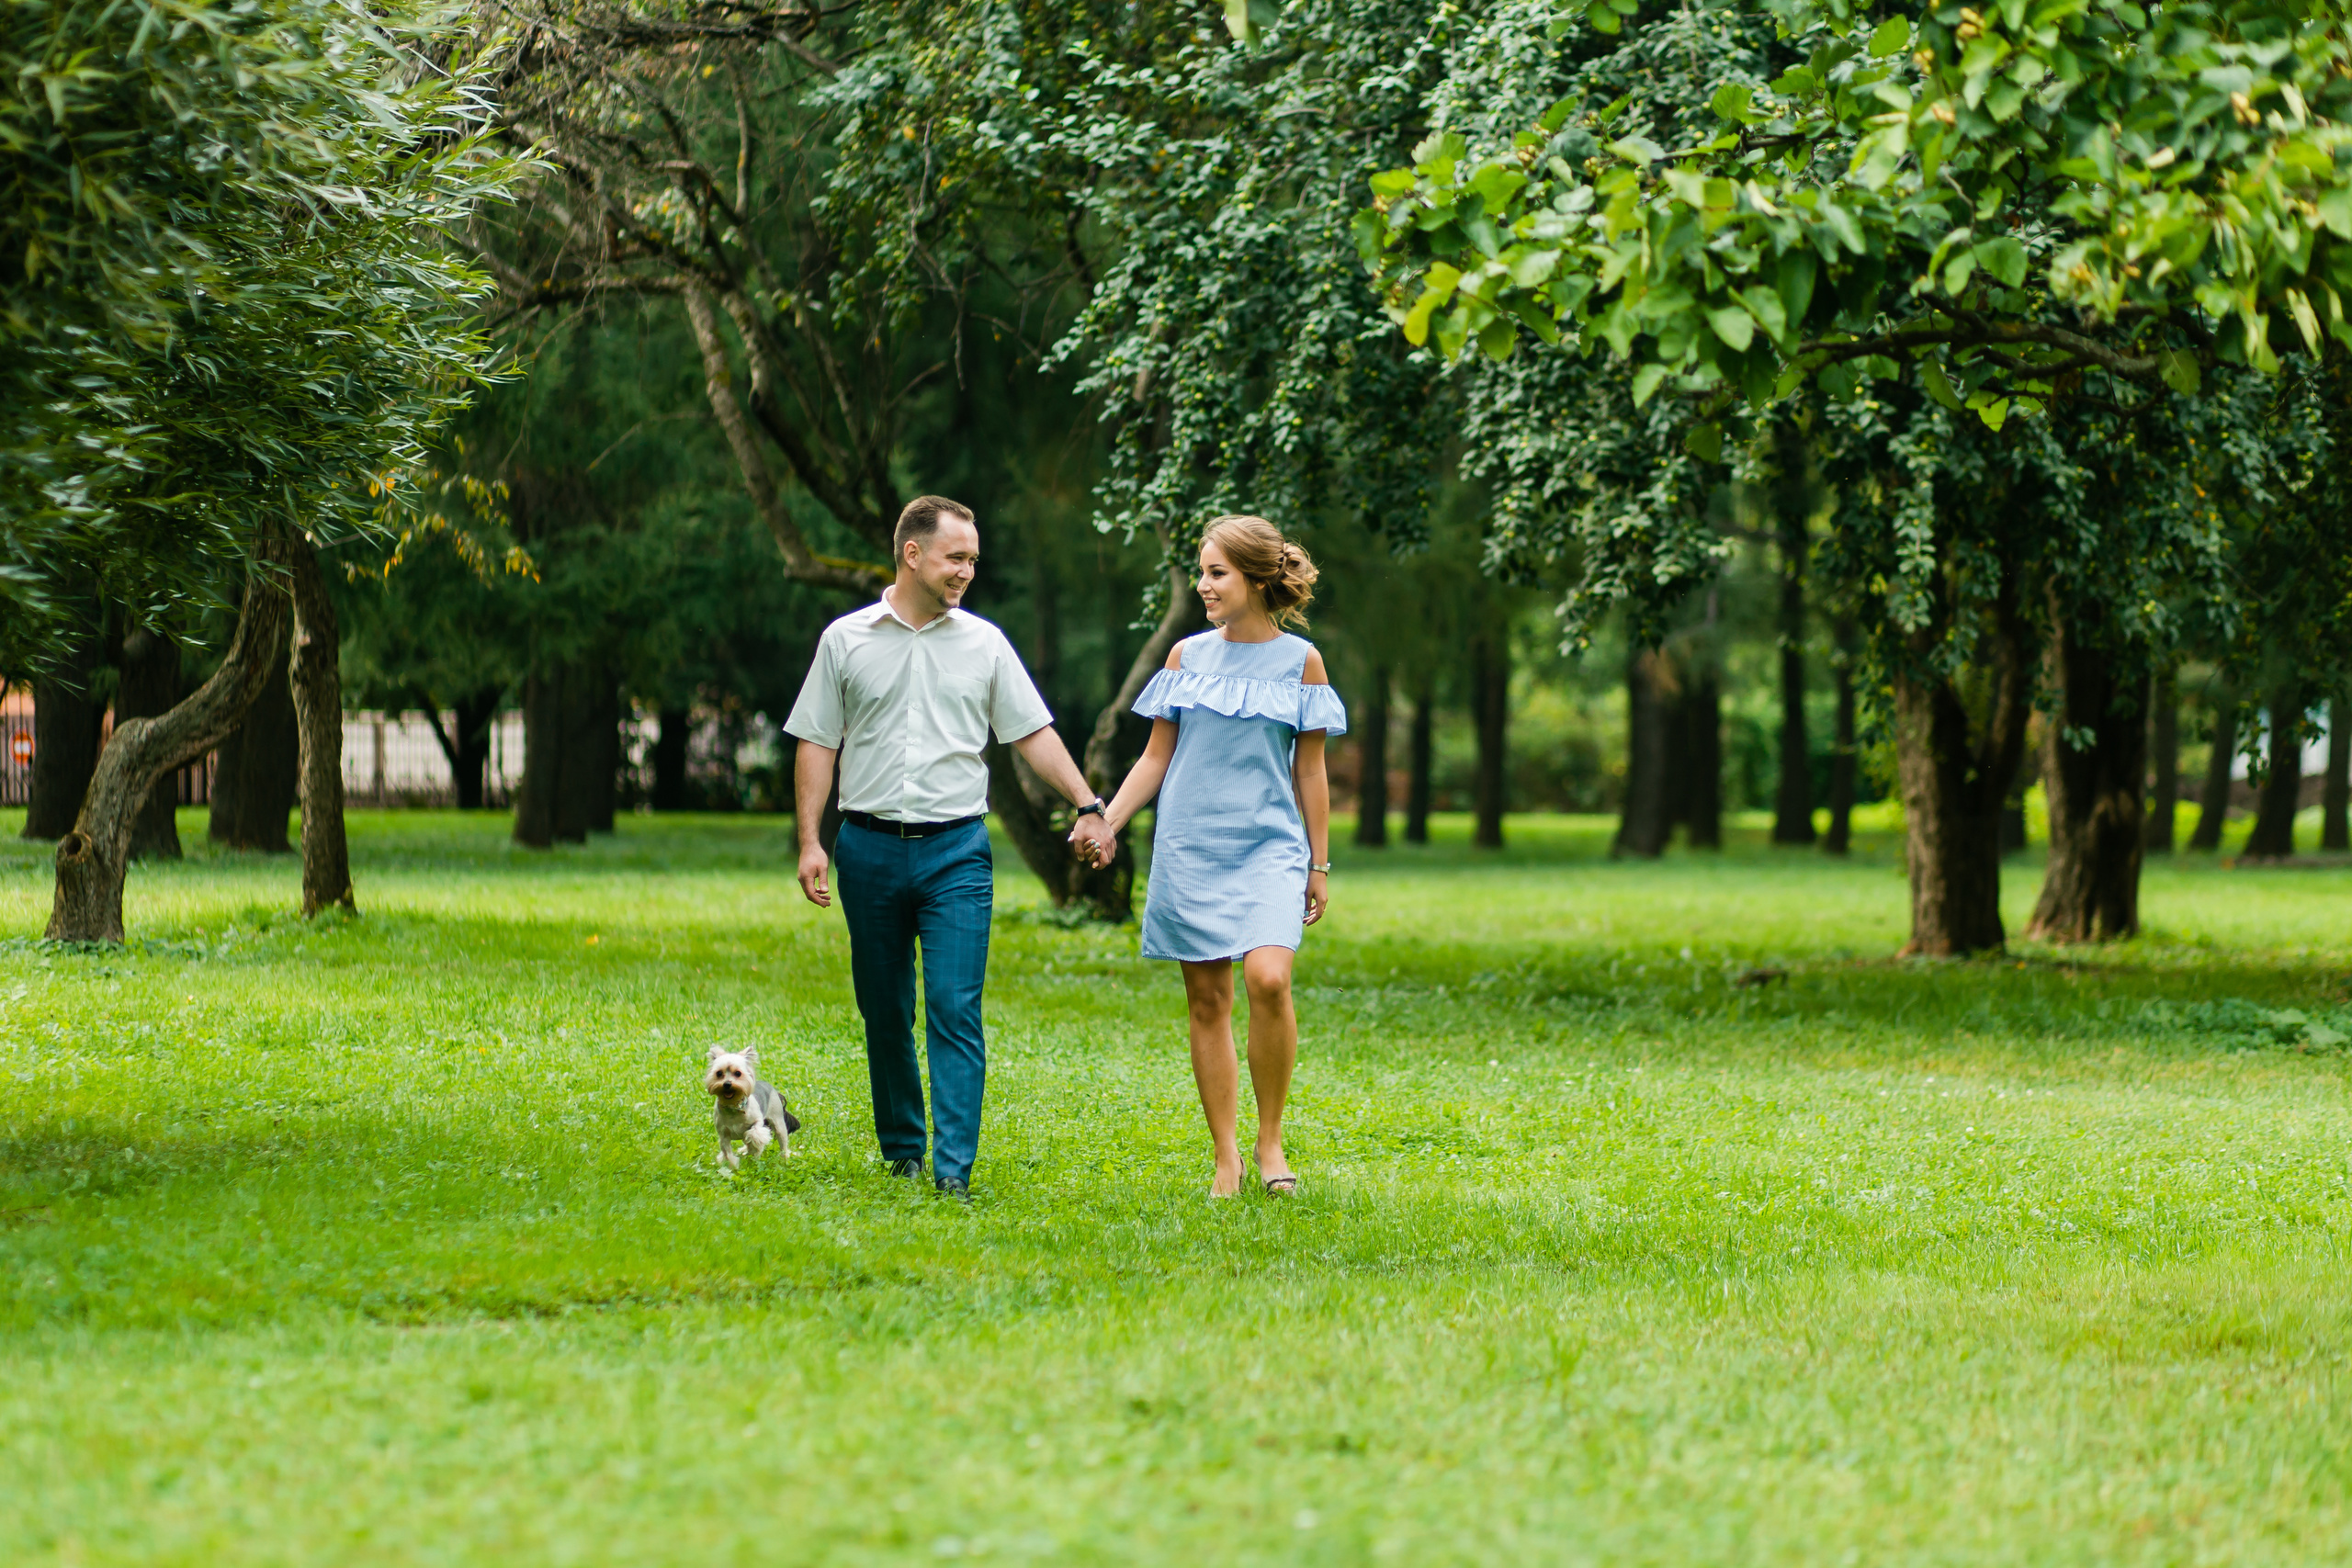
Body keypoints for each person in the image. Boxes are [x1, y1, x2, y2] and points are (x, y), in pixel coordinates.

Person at [786, 495, 1114, 1200]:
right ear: (913, 554)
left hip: (956, 852)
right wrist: (812, 839)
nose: (966, 570)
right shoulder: (846, 639)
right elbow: (817, 739)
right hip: (867, 848)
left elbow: (1032, 733)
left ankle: (952, 1171)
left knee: (954, 1006)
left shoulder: (986, 644)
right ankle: (903, 1150)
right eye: (955, 557)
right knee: (884, 1007)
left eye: (972, 559)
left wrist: (1088, 803)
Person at [1084, 515, 1344, 1198]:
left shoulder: (1301, 662)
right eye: (1202, 572)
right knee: (1208, 999)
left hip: (1269, 847)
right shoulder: (1185, 657)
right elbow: (1155, 757)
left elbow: (1311, 772)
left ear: (1258, 579)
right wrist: (1107, 821)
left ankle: (1270, 1141)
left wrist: (1319, 863)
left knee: (1268, 980)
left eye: (1216, 573)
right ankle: (1227, 1154)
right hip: (1191, 845)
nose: (1203, 585)